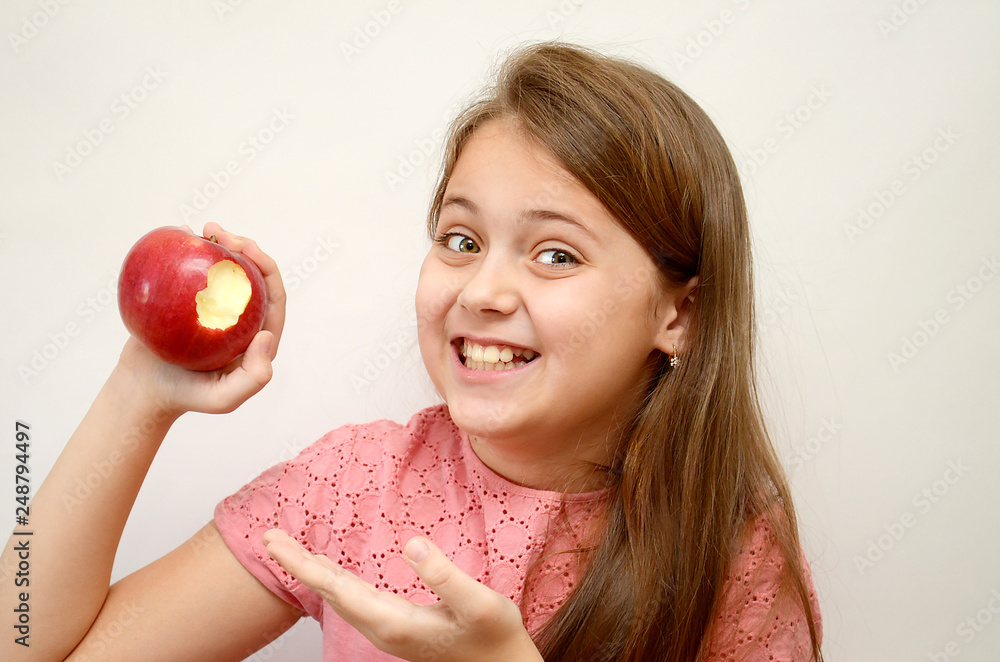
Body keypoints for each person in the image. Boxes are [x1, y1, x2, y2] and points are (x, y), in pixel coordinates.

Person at [1, 42, 822, 661]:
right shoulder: (353, 487)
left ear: (680, 316)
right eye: (461, 240)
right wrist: (140, 390)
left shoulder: (732, 550)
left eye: (555, 254)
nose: (482, 290)